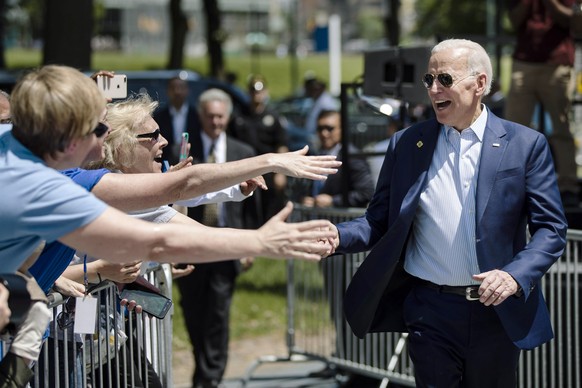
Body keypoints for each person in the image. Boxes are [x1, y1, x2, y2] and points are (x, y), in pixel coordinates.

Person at [325, 39, 567, 387]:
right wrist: (336, 236)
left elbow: (550, 229)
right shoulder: (408, 143)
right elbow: (380, 221)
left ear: (479, 84)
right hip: (430, 311)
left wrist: (514, 276)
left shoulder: (525, 145)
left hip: (494, 315)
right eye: (428, 79)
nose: (434, 89)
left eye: (445, 80)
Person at [177, 88, 260, 388]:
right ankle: (203, 366)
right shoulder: (185, 152)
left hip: (227, 248)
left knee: (218, 316)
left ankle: (209, 378)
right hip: (190, 248)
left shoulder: (242, 152)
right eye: (210, 116)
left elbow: (253, 206)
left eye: (220, 116)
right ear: (200, 116)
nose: (215, 122)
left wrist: (251, 243)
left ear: (228, 117)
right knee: (193, 313)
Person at [504, 0, 579, 206]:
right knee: (512, 130)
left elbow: (574, 22)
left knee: (561, 127)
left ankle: (568, 186)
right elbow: (515, 21)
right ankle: (511, 181)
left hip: (558, 63)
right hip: (523, 62)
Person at [230, 74, 289, 222]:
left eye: (260, 91)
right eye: (253, 91)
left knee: (270, 209)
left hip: (268, 170)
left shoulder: (273, 117)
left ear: (266, 92)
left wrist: (281, 172)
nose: (257, 95)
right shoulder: (239, 116)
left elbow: (281, 144)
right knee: (248, 210)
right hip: (245, 169)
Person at [300, 110, 374, 208]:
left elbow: (366, 193)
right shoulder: (317, 154)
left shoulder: (352, 156)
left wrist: (333, 201)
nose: (324, 133)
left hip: (343, 220)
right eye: (320, 128)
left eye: (329, 128)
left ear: (341, 129)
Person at [153, 76, 200, 165]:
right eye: (173, 88)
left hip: (192, 162)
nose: (177, 91)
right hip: (166, 164)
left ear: (187, 90)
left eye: (181, 88)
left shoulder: (197, 116)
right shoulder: (159, 117)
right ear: (167, 91)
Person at [303, 75, 339, 150]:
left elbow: (331, 123)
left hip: (315, 139)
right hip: (312, 137)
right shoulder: (318, 100)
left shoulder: (326, 103)